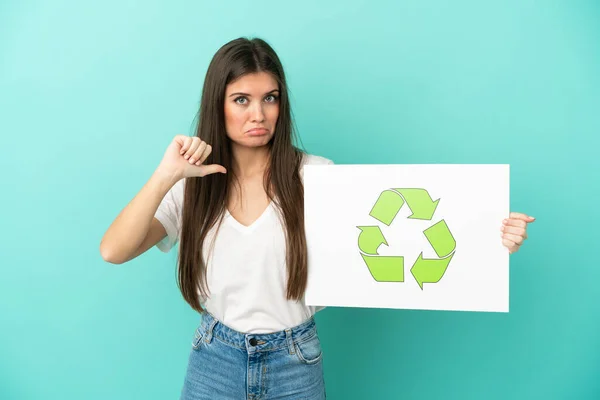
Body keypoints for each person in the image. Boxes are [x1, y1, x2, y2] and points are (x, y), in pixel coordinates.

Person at [99, 37, 535, 400]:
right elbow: (113, 250)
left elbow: (406, 234)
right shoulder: (193, 185)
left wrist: (490, 236)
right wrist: (166, 174)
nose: (258, 114)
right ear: (218, 104)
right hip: (215, 357)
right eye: (241, 100)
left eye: (270, 98)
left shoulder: (317, 177)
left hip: (295, 359)